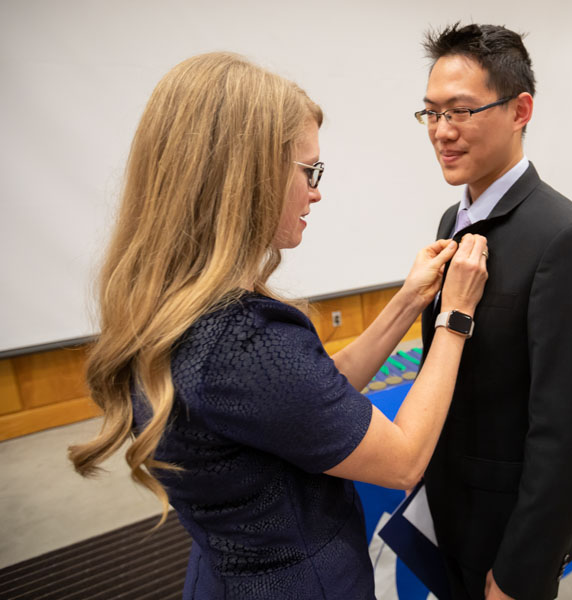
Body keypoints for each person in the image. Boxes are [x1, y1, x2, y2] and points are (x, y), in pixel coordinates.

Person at [68, 52, 488, 600]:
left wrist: (409, 300)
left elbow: (315, 394)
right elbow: (405, 459)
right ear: (249, 175)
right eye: (309, 171)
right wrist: (455, 317)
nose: (317, 191)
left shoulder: (172, 306)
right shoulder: (243, 339)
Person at [415, 24, 572, 600]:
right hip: (447, 504)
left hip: (506, 530)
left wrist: (521, 570)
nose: (442, 133)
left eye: (460, 111)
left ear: (519, 109)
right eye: (430, 113)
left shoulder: (567, 238)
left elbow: (571, 430)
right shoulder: (448, 223)